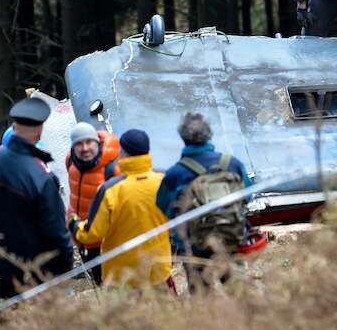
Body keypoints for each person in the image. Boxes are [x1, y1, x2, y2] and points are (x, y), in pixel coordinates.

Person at [0, 98, 73, 299]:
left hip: (3, 261)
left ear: (14, 126)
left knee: (8, 318)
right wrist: (65, 267)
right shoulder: (41, 176)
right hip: (39, 270)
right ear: (39, 130)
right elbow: (57, 232)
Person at [157, 113, 252, 293]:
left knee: (202, 297)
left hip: (194, 247)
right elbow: (248, 196)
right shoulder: (232, 163)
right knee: (238, 291)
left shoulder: (175, 174)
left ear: (183, 137)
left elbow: (163, 207)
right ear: (209, 134)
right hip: (231, 238)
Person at [70, 129, 174, 291]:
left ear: (122, 152)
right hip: (159, 268)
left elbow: (92, 235)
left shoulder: (111, 189)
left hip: (123, 276)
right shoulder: (163, 179)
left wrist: (74, 224)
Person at [65, 122, 121, 284]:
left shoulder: (113, 168)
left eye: (89, 142)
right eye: (79, 144)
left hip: (110, 243)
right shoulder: (71, 162)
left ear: (97, 142)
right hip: (83, 239)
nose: (85, 148)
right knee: (102, 287)